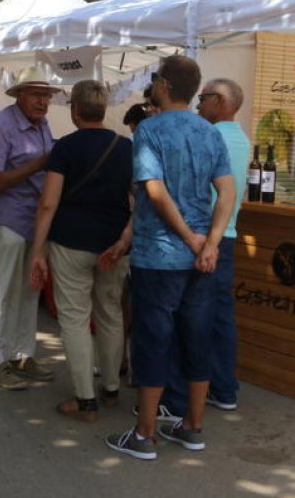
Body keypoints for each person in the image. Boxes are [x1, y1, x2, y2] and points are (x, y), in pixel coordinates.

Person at [105, 55, 234, 460]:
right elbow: (226, 193)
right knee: (196, 338)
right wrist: (210, 242)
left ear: (163, 85)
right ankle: (193, 427)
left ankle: (145, 434)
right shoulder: (210, 132)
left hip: (159, 256)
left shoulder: (149, 130)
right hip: (201, 259)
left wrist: (193, 241)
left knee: (154, 340)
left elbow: (156, 193)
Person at [29, 80, 133, 422]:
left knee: (74, 318)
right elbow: (138, 200)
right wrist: (125, 239)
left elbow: (48, 203)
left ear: (75, 110)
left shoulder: (66, 148)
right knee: (110, 312)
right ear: (102, 110)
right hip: (114, 244)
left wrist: (38, 249)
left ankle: (85, 399)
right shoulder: (126, 147)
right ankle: (112, 387)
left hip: (71, 241)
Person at [159, 78, 251, 419]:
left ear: (222, 101)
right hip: (226, 236)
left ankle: (179, 397)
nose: (198, 104)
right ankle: (224, 388)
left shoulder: (208, 136)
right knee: (221, 317)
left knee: (189, 320)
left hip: (202, 237)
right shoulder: (242, 139)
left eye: (204, 98)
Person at [0, 65, 59, 390]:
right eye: (37, 95)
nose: (43, 102)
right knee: (4, 292)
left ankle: (22, 355)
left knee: (30, 291)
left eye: (47, 96)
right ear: (20, 95)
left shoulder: (43, 125)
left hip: (36, 219)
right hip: (10, 218)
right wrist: (38, 164)